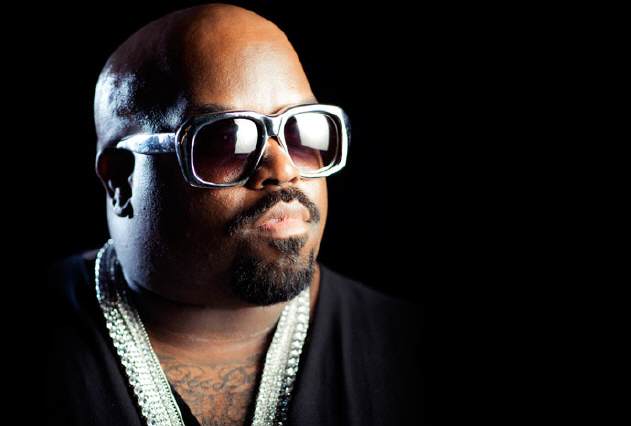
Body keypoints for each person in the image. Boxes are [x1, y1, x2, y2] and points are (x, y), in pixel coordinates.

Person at [45, 3, 423, 425]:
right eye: (226, 140)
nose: (284, 170)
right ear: (121, 179)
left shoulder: (409, 352)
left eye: (302, 133)